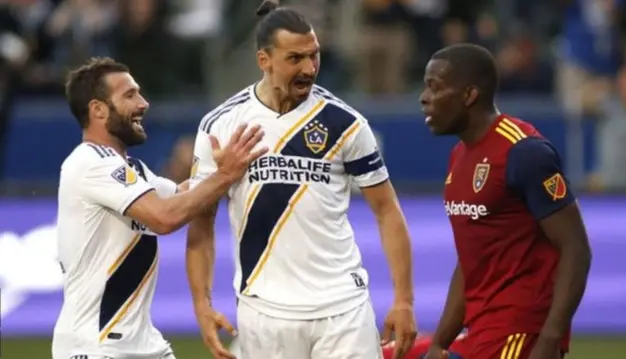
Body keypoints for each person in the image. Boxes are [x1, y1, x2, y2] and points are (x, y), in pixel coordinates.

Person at [186, 1, 417, 359]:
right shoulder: (222, 124)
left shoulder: (346, 123)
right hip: (264, 313)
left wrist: (404, 300)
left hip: (343, 310)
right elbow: (201, 219)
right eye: (296, 58)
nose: (310, 68)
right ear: (265, 60)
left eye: (314, 56)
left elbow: (387, 211)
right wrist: (202, 304)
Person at [52, 57, 266, 359]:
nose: (143, 103)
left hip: (143, 345)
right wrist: (224, 175)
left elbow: (186, 195)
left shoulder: (132, 169)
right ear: (98, 109)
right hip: (95, 346)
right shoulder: (89, 162)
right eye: (129, 95)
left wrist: (222, 168)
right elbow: (165, 217)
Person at [419, 43, 592, 359]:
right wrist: (438, 343)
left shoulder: (524, 152)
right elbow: (472, 258)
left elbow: (576, 248)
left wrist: (550, 340)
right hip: (481, 331)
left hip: (521, 334)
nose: (424, 97)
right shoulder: (459, 156)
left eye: (435, 87)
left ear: (469, 96)